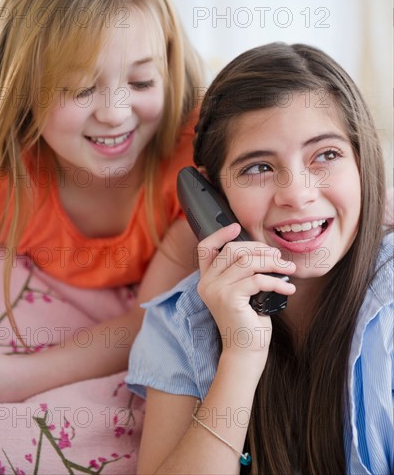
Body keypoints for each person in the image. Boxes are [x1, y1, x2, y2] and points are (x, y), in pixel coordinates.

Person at [127, 43, 394, 474]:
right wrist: (241, 352)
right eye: (258, 167)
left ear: (363, 164)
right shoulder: (179, 326)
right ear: (211, 198)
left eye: (326, 155)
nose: (297, 193)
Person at [0, 0, 203, 473]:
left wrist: (16, 380)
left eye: (140, 80)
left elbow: (155, 318)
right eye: (81, 89)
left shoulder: (195, 155)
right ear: (22, 87)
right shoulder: (7, 173)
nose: (114, 112)